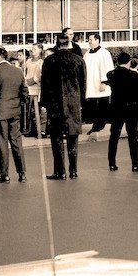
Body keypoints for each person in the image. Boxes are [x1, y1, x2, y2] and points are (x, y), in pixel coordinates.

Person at [43, 34, 86, 180]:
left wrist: (45, 104)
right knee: (73, 138)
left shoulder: (49, 61)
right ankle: (73, 170)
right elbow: (82, 84)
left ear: (57, 45)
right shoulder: (78, 60)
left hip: (55, 105)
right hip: (73, 104)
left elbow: (45, 85)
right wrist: (81, 103)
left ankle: (60, 171)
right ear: (69, 44)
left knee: (57, 139)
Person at [0, 47, 28, 183]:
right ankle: (21, 173)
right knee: (16, 142)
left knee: (2, 143)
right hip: (14, 111)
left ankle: (4, 174)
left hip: (0, 111)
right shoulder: (18, 71)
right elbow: (24, 92)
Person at [106, 52, 138, 172]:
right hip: (131, 108)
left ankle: (112, 163)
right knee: (132, 137)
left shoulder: (111, 74)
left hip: (117, 108)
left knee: (114, 136)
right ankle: (135, 163)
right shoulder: (134, 75)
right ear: (128, 62)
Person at [83, 33, 114, 134]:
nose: (89, 41)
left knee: (102, 105)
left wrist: (104, 82)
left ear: (97, 40)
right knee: (93, 106)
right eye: (89, 40)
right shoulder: (87, 53)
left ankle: (99, 126)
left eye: (91, 39)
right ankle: (95, 125)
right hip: (91, 84)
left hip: (100, 84)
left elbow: (108, 68)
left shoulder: (104, 53)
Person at [24, 43, 45, 137]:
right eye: (32, 49)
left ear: (40, 50)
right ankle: (30, 130)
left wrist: (32, 81)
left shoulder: (41, 62)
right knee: (29, 110)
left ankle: (39, 130)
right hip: (28, 87)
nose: (33, 51)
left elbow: (40, 75)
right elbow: (24, 71)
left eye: (35, 49)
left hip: (36, 88)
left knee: (37, 110)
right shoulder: (28, 61)